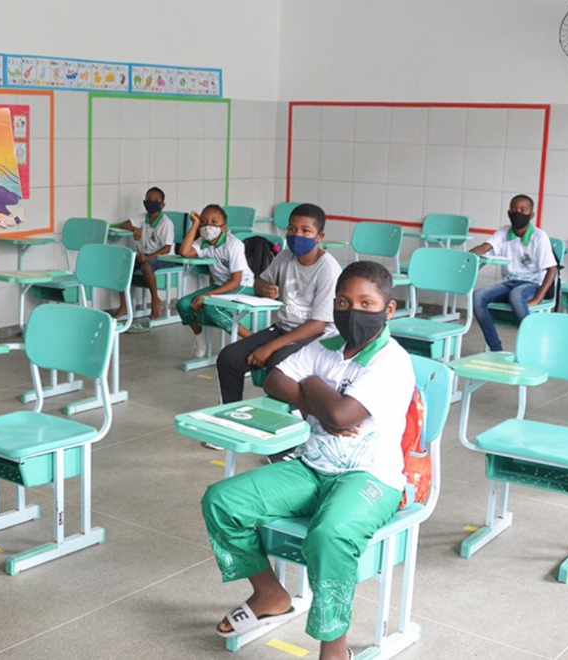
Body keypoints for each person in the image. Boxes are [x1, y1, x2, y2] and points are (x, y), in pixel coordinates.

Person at [201, 261, 414, 660]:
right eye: (344, 302)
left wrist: (312, 381)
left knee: (328, 535)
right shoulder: (327, 344)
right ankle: (269, 594)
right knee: (222, 501)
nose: (353, 311)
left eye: (366, 303)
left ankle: (334, 649)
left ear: (388, 309)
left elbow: (342, 415)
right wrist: (320, 401)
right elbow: (275, 379)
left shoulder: (392, 361)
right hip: (312, 466)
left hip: (370, 476)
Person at [215, 202, 340, 404]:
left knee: (278, 364)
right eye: (292, 229)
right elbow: (259, 281)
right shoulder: (285, 256)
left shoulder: (328, 270)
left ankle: (279, 418)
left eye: (305, 231)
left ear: (319, 237)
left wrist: (270, 347)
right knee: (229, 358)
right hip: (285, 328)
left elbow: (319, 324)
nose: (297, 235)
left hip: (317, 337)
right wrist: (263, 287)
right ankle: (231, 411)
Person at [469, 194, 558, 352]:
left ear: (531, 215)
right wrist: (469, 255)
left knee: (516, 295)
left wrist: (538, 298)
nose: (518, 213)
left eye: (523, 210)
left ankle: (532, 346)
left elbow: (552, 269)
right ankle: (496, 348)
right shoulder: (504, 232)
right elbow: (485, 247)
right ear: (509, 213)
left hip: (532, 285)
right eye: (514, 209)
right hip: (509, 283)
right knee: (477, 296)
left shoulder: (539, 236)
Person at [176, 204, 257, 358]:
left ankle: (252, 339)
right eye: (204, 222)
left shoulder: (233, 245)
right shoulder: (202, 242)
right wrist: (195, 224)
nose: (208, 226)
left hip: (243, 285)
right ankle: (199, 337)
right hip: (220, 286)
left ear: (224, 227)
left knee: (211, 308)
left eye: (214, 222)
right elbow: (184, 252)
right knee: (183, 305)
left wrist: (207, 296)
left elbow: (235, 282)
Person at [114, 187, 175, 330]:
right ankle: (124, 305)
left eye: (155, 201)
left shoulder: (166, 223)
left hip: (165, 257)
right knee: (122, 265)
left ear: (162, 205)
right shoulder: (143, 218)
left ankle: (155, 300)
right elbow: (124, 225)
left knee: (146, 266)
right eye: (149, 200)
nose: (151, 203)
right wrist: (135, 229)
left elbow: (167, 248)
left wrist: (147, 257)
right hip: (146, 255)